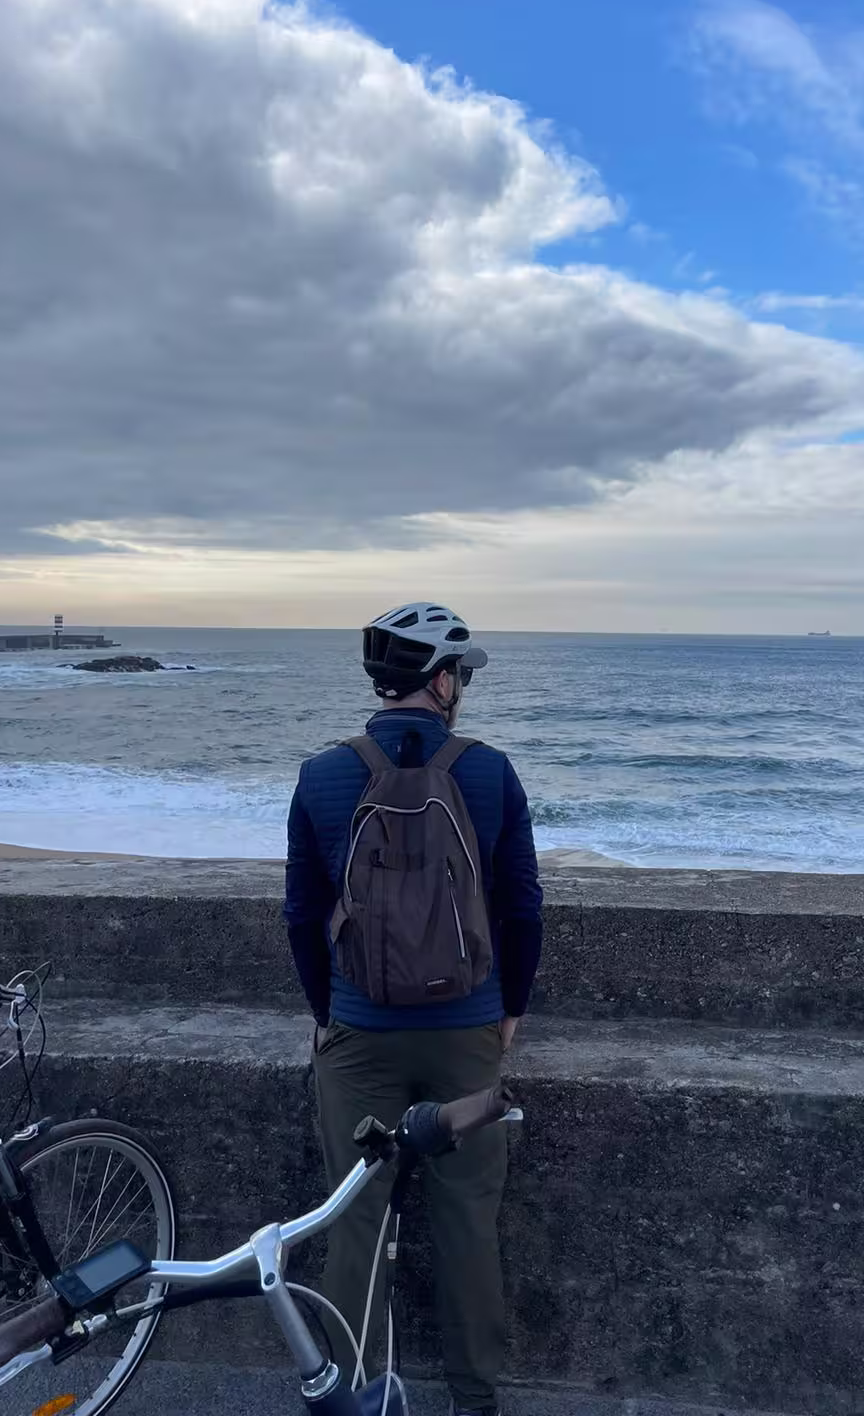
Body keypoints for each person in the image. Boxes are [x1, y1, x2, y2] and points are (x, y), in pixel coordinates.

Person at [284, 602, 543, 1416]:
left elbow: (300, 915)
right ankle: (474, 1397)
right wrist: (510, 1013)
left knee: (353, 1219)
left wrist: (328, 1011)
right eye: (459, 673)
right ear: (439, 679)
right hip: (468, 1030)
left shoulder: (323, 775)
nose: (460, 686)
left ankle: (350, 1393)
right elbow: (523, 908)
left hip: (359, 1032)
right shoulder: (490, 771)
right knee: (468, 1219)